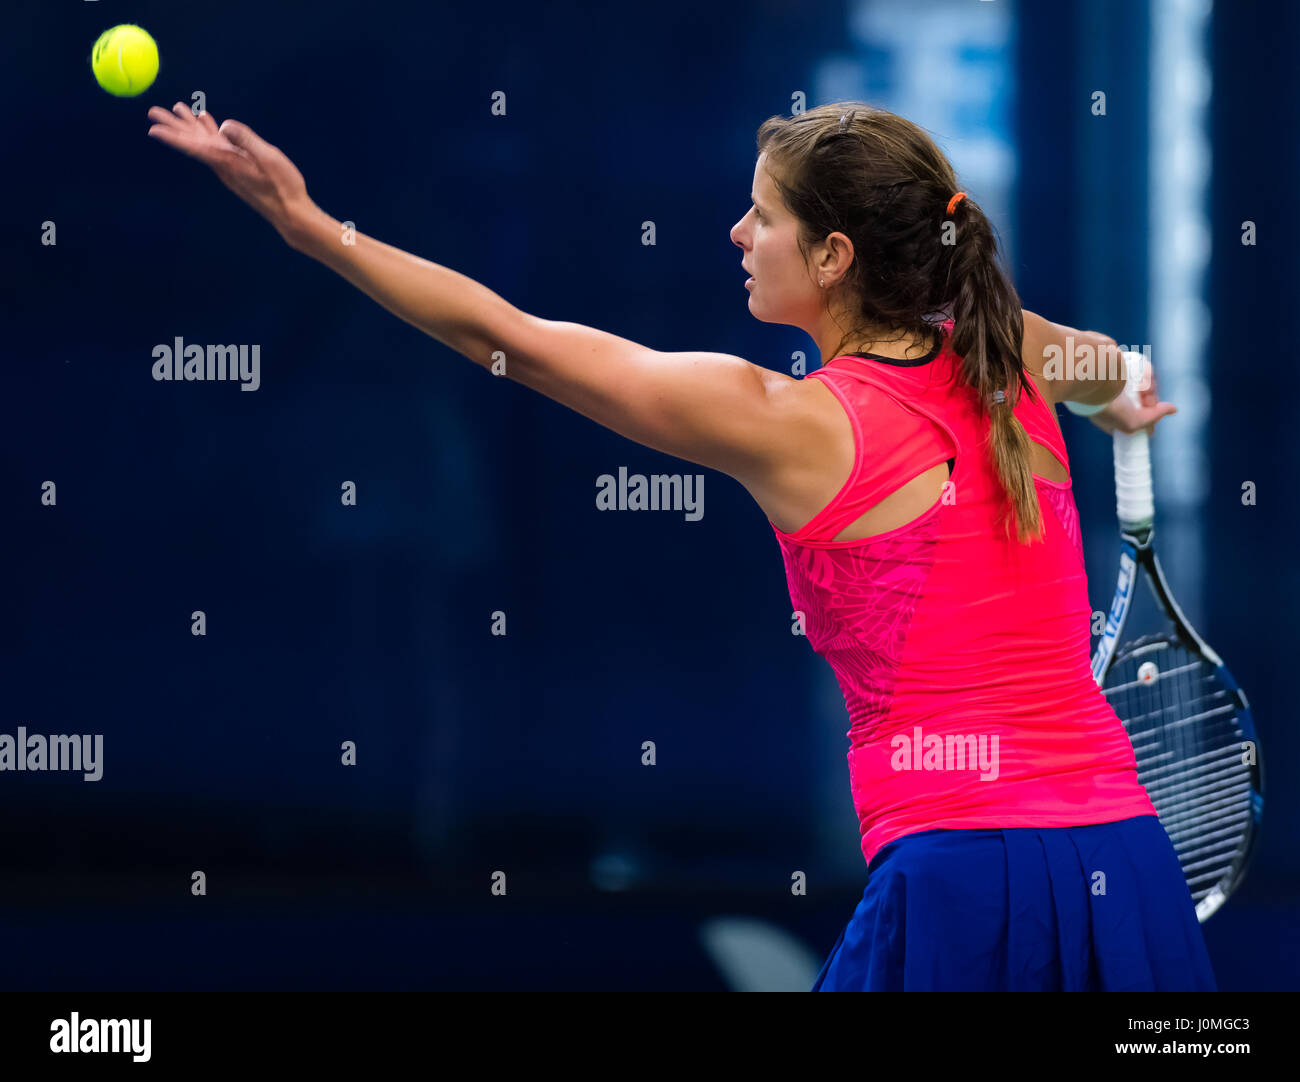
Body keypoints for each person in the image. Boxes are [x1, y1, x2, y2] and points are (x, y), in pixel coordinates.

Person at [146, 98, 1210, 991]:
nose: (736, 235)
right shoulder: (1011, 351)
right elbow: (1111, 365)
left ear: (834, 257)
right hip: (1129, 868)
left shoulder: (786, 420)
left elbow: (510, 341)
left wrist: (308, 225)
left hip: (960, 885)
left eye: (761, 216)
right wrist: (1118, 398)